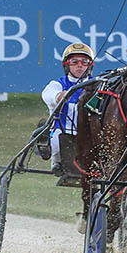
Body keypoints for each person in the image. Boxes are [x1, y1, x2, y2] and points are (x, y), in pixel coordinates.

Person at [39, 42, 94, 176]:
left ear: (90, 65)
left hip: (90, 133)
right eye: (74, 61)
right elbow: (47, 94)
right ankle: (55, 160)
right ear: (67, 65)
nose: (80, 65)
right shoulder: (59, 84)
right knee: (56, 142)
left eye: (84, 61)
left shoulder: (97, 83)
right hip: (62, 130)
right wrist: (58, 96)